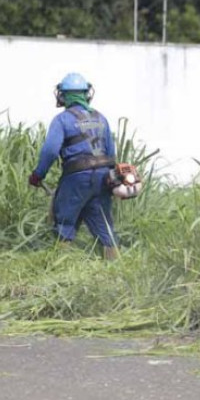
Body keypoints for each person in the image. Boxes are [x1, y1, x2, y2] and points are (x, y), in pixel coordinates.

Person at [29, 72, 120, 260]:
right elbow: (111, 153)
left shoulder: (62, 120)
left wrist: (39, 174)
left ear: (62, 95)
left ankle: (62, 264)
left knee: (64, 219)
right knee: (103, 224)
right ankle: (115, 266)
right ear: (87, 93)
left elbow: (50, 151)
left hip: (77, 177)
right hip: (104, 177)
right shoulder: (101, 118)